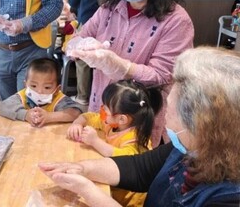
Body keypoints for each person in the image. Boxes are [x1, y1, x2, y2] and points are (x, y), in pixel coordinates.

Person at [39, 47, 240, 207]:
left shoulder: (228, 199)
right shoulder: (188, 148)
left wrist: (88, 192)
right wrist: (81, 169)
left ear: (202, 126)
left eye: (171, 109)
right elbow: (138, 168)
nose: (165, 119)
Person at [64, 0, 194, 146]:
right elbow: (80, 36)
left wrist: (119, 65)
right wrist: (80, 46)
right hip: (103, 111)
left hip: (141, 121)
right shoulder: (109, 8)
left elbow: (163, 75)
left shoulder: (176, 21)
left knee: (129, 171)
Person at [67, 79, 162, 206]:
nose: (101, 111)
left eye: (105, 109)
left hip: (127, 201)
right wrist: (77, 124)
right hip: (111, 186)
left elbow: (124, 161)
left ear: (122, 119)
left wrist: (95, 141)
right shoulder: (112, 123)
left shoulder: (135, 139)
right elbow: (90, 117)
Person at [69, 0, 114, 108]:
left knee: (82, 60)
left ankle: (82, 96)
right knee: (102, 59)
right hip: (109, 25)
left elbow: (73, 1)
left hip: (88, 21)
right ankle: (103, 98)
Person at [0, 58, 80, 127]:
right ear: (25, 84)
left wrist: (49, 117)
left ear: (57, 89)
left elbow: (75, 113)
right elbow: (4, 106)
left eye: (47, 87)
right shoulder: (22, 96)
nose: (39, 91)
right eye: (33, 86)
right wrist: (25, 115)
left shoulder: (59, 99)